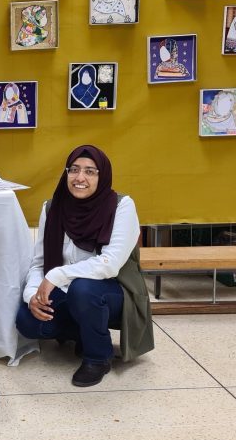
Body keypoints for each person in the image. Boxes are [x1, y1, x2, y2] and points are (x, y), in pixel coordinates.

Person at [17, 145, 154, 387]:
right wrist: (32, 297)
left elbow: (110, 264)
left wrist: (58, 274)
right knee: (27, 321)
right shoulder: (52, 207)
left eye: (90, 172)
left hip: (113, 292)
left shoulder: (121, 206)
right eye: (74, 170)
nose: (80, 178)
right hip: (68, 292)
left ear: (102, 176)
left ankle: (98, 357)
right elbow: (39, 262)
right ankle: (84, 332)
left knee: (83, 290)